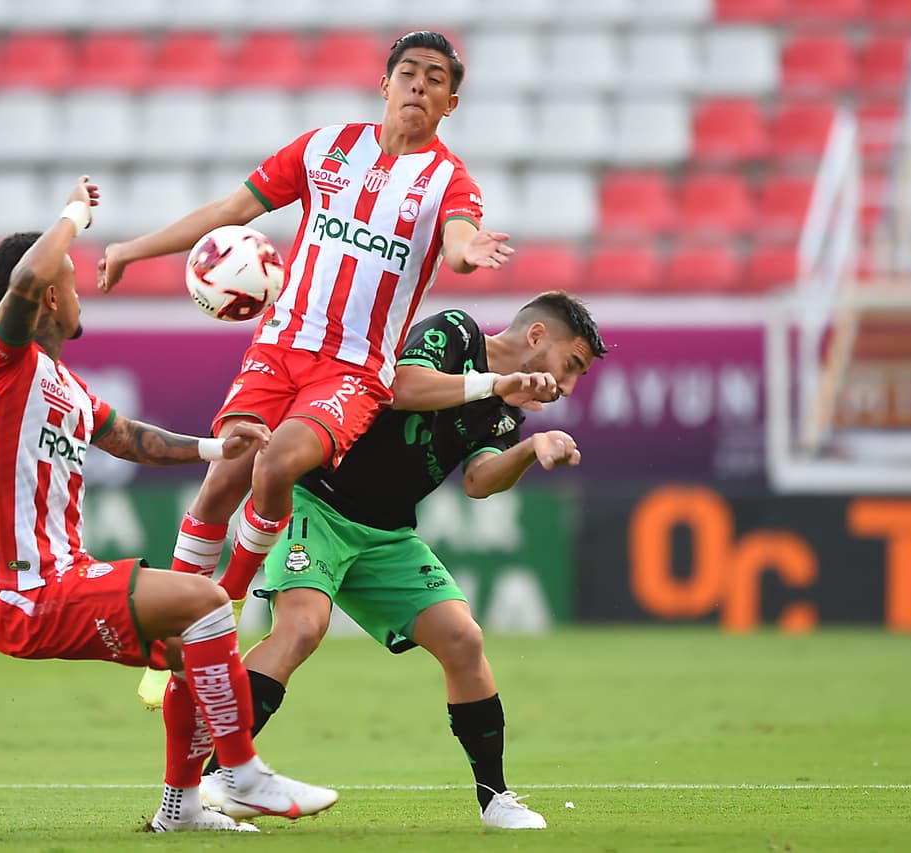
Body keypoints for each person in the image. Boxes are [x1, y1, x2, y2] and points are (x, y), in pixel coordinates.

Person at [98, 32, 537, 651]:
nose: (419, 85)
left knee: (276, 462)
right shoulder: (326, 148)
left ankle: (225, 600)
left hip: (354, 371)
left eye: (436, 79)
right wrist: (130, 250)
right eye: (408, 73)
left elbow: (461, 238)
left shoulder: (447, 182)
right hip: (279, 347)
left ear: (450, 104)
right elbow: (230, 210)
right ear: (385, 85)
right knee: (225, 474)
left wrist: (468, 251)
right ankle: (173, 627)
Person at [0, 176, 338, 833]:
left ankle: (182, 808)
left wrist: (217, 447)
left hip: (59, 578)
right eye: (72, 282)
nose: (80, 292)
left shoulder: (64, 386)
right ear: (51, 294)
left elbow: (131, 439)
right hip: (24, 591)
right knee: (209, 601)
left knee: (195, 644)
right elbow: (23, 279)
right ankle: (243, 774)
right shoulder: (2, 362)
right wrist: (75, 213)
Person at [195, 292, 608, 830]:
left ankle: (495, 799)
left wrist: (531, 450)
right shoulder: (457, 333)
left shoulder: (506, 411)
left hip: (386, 533)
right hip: (317, 502)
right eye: (571, 365)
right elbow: (396, 389)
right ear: (536, 337)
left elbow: (481, 481)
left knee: (464, 639)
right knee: (301, 629)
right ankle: (215, 777)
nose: (569, 385)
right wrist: (494, 384)